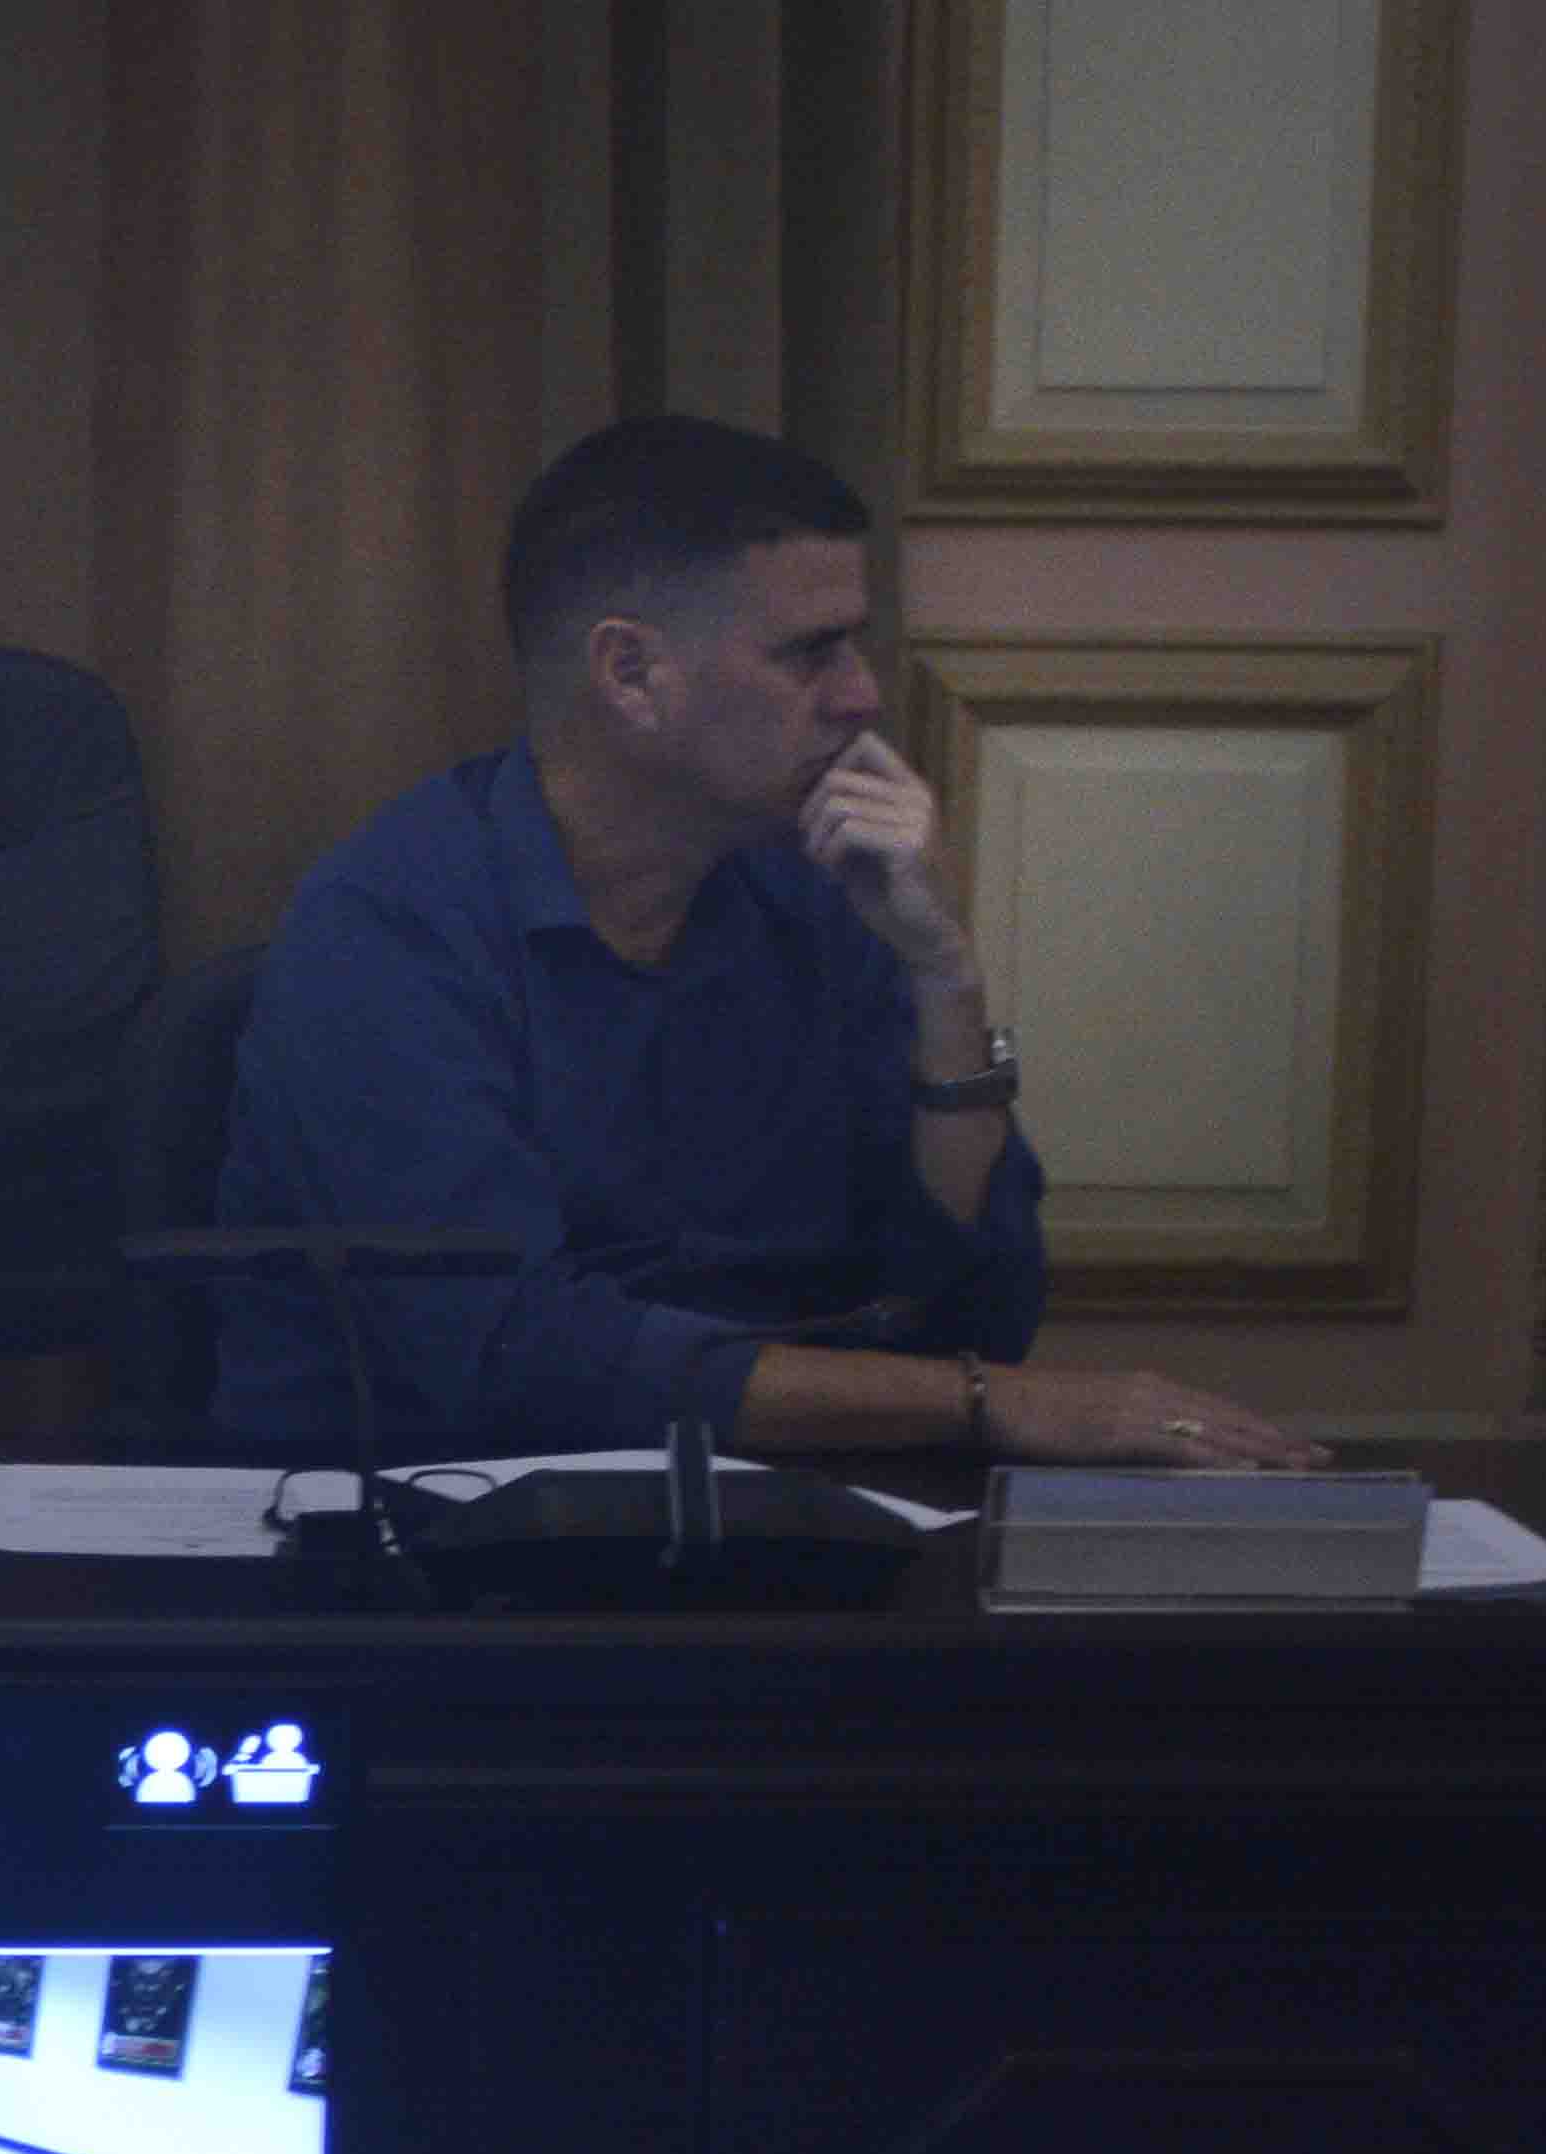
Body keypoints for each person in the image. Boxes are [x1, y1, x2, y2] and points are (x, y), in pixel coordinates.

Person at [214, 413, 1324, 1473]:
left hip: (789, 1506)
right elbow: (516, 1361)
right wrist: (982, 1404)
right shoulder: (389, 927)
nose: (862, 696)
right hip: (438, 1539)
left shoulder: (818, 893)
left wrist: (946, 979)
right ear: (631, 674)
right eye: (811, 653)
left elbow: (977, 1311)